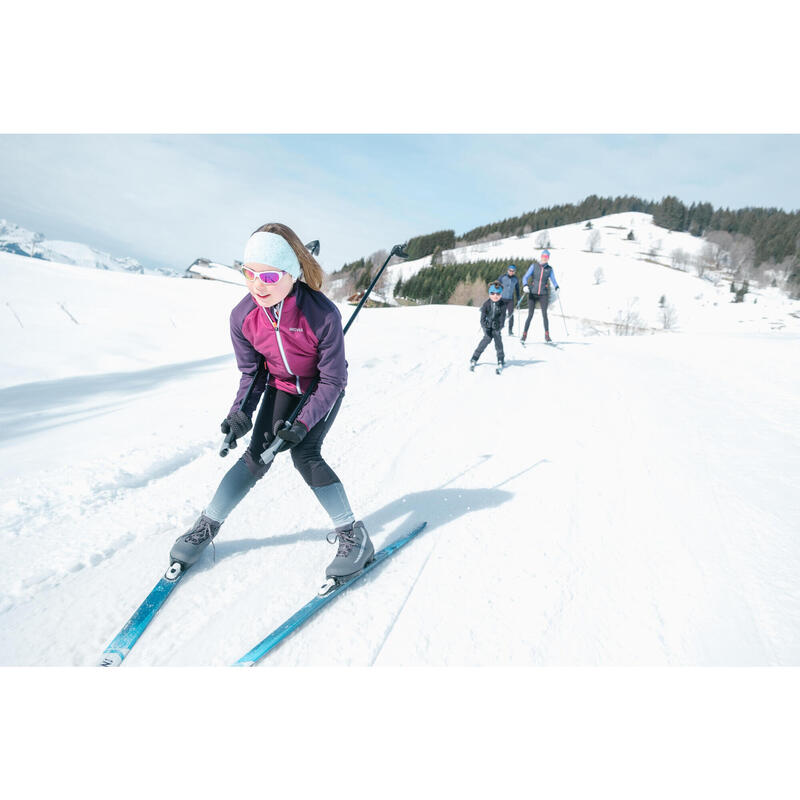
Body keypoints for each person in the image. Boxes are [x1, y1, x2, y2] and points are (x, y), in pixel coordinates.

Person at [169, 223, 373, 583]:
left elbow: (333, 378)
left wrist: (302, 424)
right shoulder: (243, 317)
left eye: (269, 275)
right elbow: (252, 375)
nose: (258, 285)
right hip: (281, 386)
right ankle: (206, 526)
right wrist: (240, 414)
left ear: (291, 274)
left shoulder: (322, 315)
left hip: (319, 387)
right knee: (255, 456)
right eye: (250, 274)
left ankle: (353, 537)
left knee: (304, 455)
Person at [521, 248, 560, 343]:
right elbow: (525, 277)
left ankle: (547, 335)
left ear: (548, 258)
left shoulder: (549, 269)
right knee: (530, 315)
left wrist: (557, 287)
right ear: (541, 257)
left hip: (543, 294)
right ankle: (524, 335)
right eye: (543, 256)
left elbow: (553, 279)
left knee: (544, 314)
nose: (545, 258)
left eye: (546, 257)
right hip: (533, 293)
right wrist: (525, 285)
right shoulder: (534, 266)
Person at [469, 281, 505, 372]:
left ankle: (500, 359)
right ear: (489, 294)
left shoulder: (503, 305)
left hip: (496, 327)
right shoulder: (486, 304)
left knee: (498, 343)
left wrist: (499, 327)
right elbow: (482, 319)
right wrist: (486, 325)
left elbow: (502, 319)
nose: (495, 296)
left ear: (501, 294)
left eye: (498, 293)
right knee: (486, 341)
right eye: (492, 293)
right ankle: (475, 357)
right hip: (488, 327)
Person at [497, 264, 520, 335]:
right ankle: (499, 329)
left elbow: (517, 289)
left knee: (511, 315)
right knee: (502, 315)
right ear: (508, 270)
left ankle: (510, 330)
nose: (511, 272)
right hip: (502, 299)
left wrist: (518, 298)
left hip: (510, 299)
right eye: (510, 270)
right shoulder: (502, 277)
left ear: (514, 272)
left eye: (513, 271)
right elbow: (497, 285)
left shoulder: (515, 279)